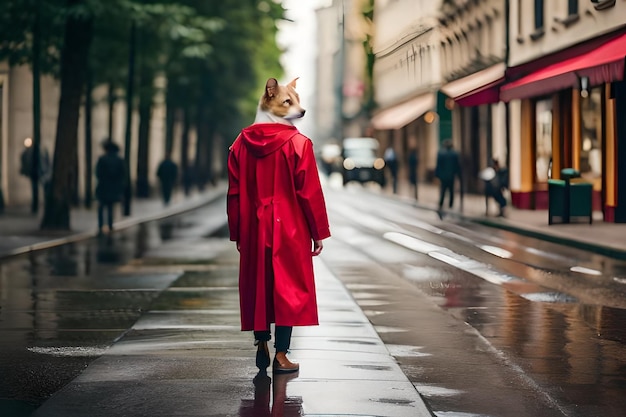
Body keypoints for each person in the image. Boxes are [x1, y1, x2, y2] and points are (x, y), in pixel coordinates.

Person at [227, 78, 331, 375]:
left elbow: (233, 192)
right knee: (288, 289)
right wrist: (318, 233)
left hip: (253, 227)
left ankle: (261, 342)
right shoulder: (299, 144)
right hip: (291, 229)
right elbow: (309, 192)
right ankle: (282, 354)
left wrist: (237, 232)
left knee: (258, 285)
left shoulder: (240, 144)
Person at [95, 140, 126, 235]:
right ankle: (110, 224)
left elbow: (97, 173)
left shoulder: (102, 159)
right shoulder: (119, 160)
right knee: (110, 207)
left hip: (103, 187)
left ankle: (100, 225)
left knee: (101, 207)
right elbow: (123, 175)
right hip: (114, 188)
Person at [435, 139, 462, 218]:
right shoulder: (454, 154)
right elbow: (457, 166)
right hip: (451, 176)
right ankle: (450, 205)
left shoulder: (441, 154)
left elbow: (438, 166)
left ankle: (441, 204)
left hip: (443, 176)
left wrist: (437, 175)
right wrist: (458, 175)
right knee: (451, 191)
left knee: (443, 191)